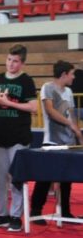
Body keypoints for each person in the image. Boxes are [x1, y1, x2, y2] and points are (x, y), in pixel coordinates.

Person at [0, 44, 37, 233]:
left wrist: (9, 103)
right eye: (9, 60)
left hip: (19, 136)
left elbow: (33, 107)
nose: (11, 64)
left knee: (16, 178)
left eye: (15, 61)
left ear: (22, 63)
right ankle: (1, 214)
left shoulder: (26, 81)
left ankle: (16, 216)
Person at [30, 60, 83, 223]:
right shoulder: (48, 87)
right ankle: (35, 211)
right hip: (52, 141)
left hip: (68, 141)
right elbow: (50, 110)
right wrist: (70, 124)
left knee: (67, 180)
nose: (74, 77)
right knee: (45, 178)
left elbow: (71, 114)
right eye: (72, 74)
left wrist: (77, 133)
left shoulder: (69, 91)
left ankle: (65, 211)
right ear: (64, 74)